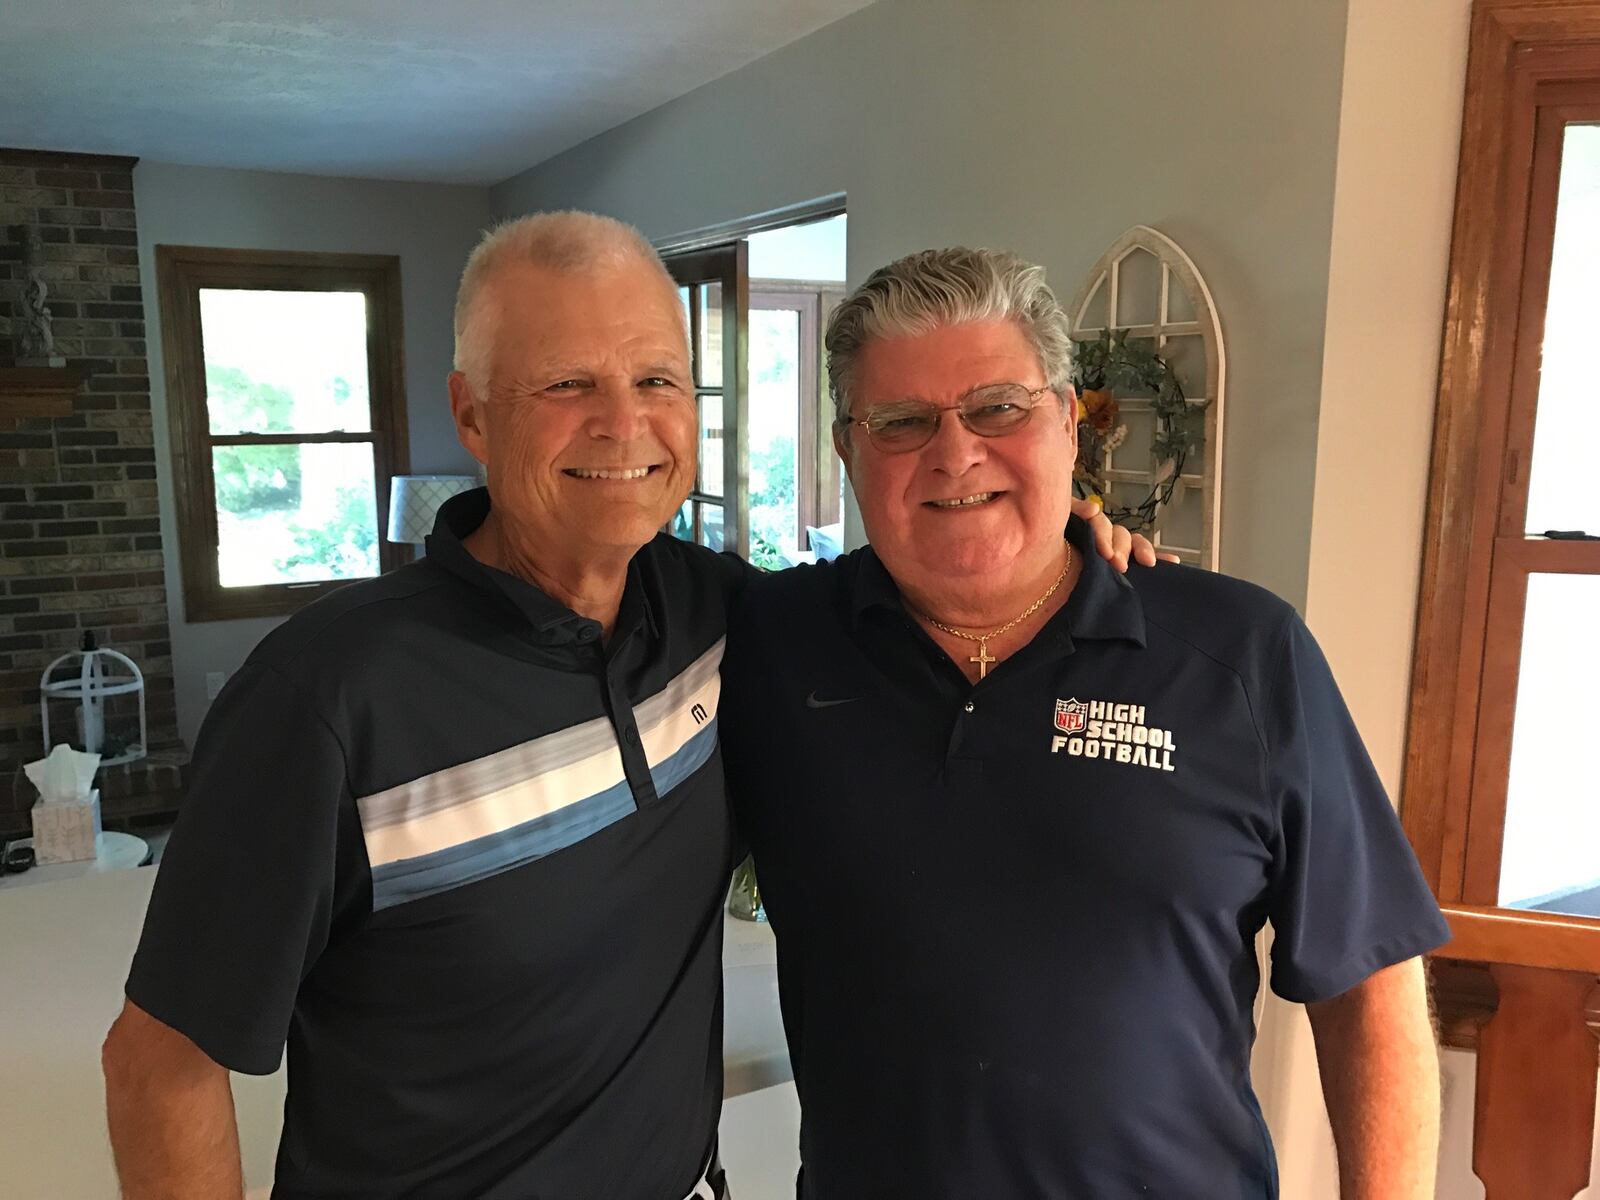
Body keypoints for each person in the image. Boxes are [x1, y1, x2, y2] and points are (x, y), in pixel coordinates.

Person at [101, 213, 1150, 1199]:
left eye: (657, 377)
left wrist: (1066, 542)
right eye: (565, 383)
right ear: (470, 411)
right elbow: (161, 1067)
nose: (623, 423)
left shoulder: (729, 619)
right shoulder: (326, 695)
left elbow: (938, 574)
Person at [719, 247, 1449, 1199]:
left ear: (1068, 421)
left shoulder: (1239, 653)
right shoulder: (771, 646)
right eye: (901, 421)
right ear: (846, 448)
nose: (956, 452)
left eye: (999, 407)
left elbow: (1370, 982)